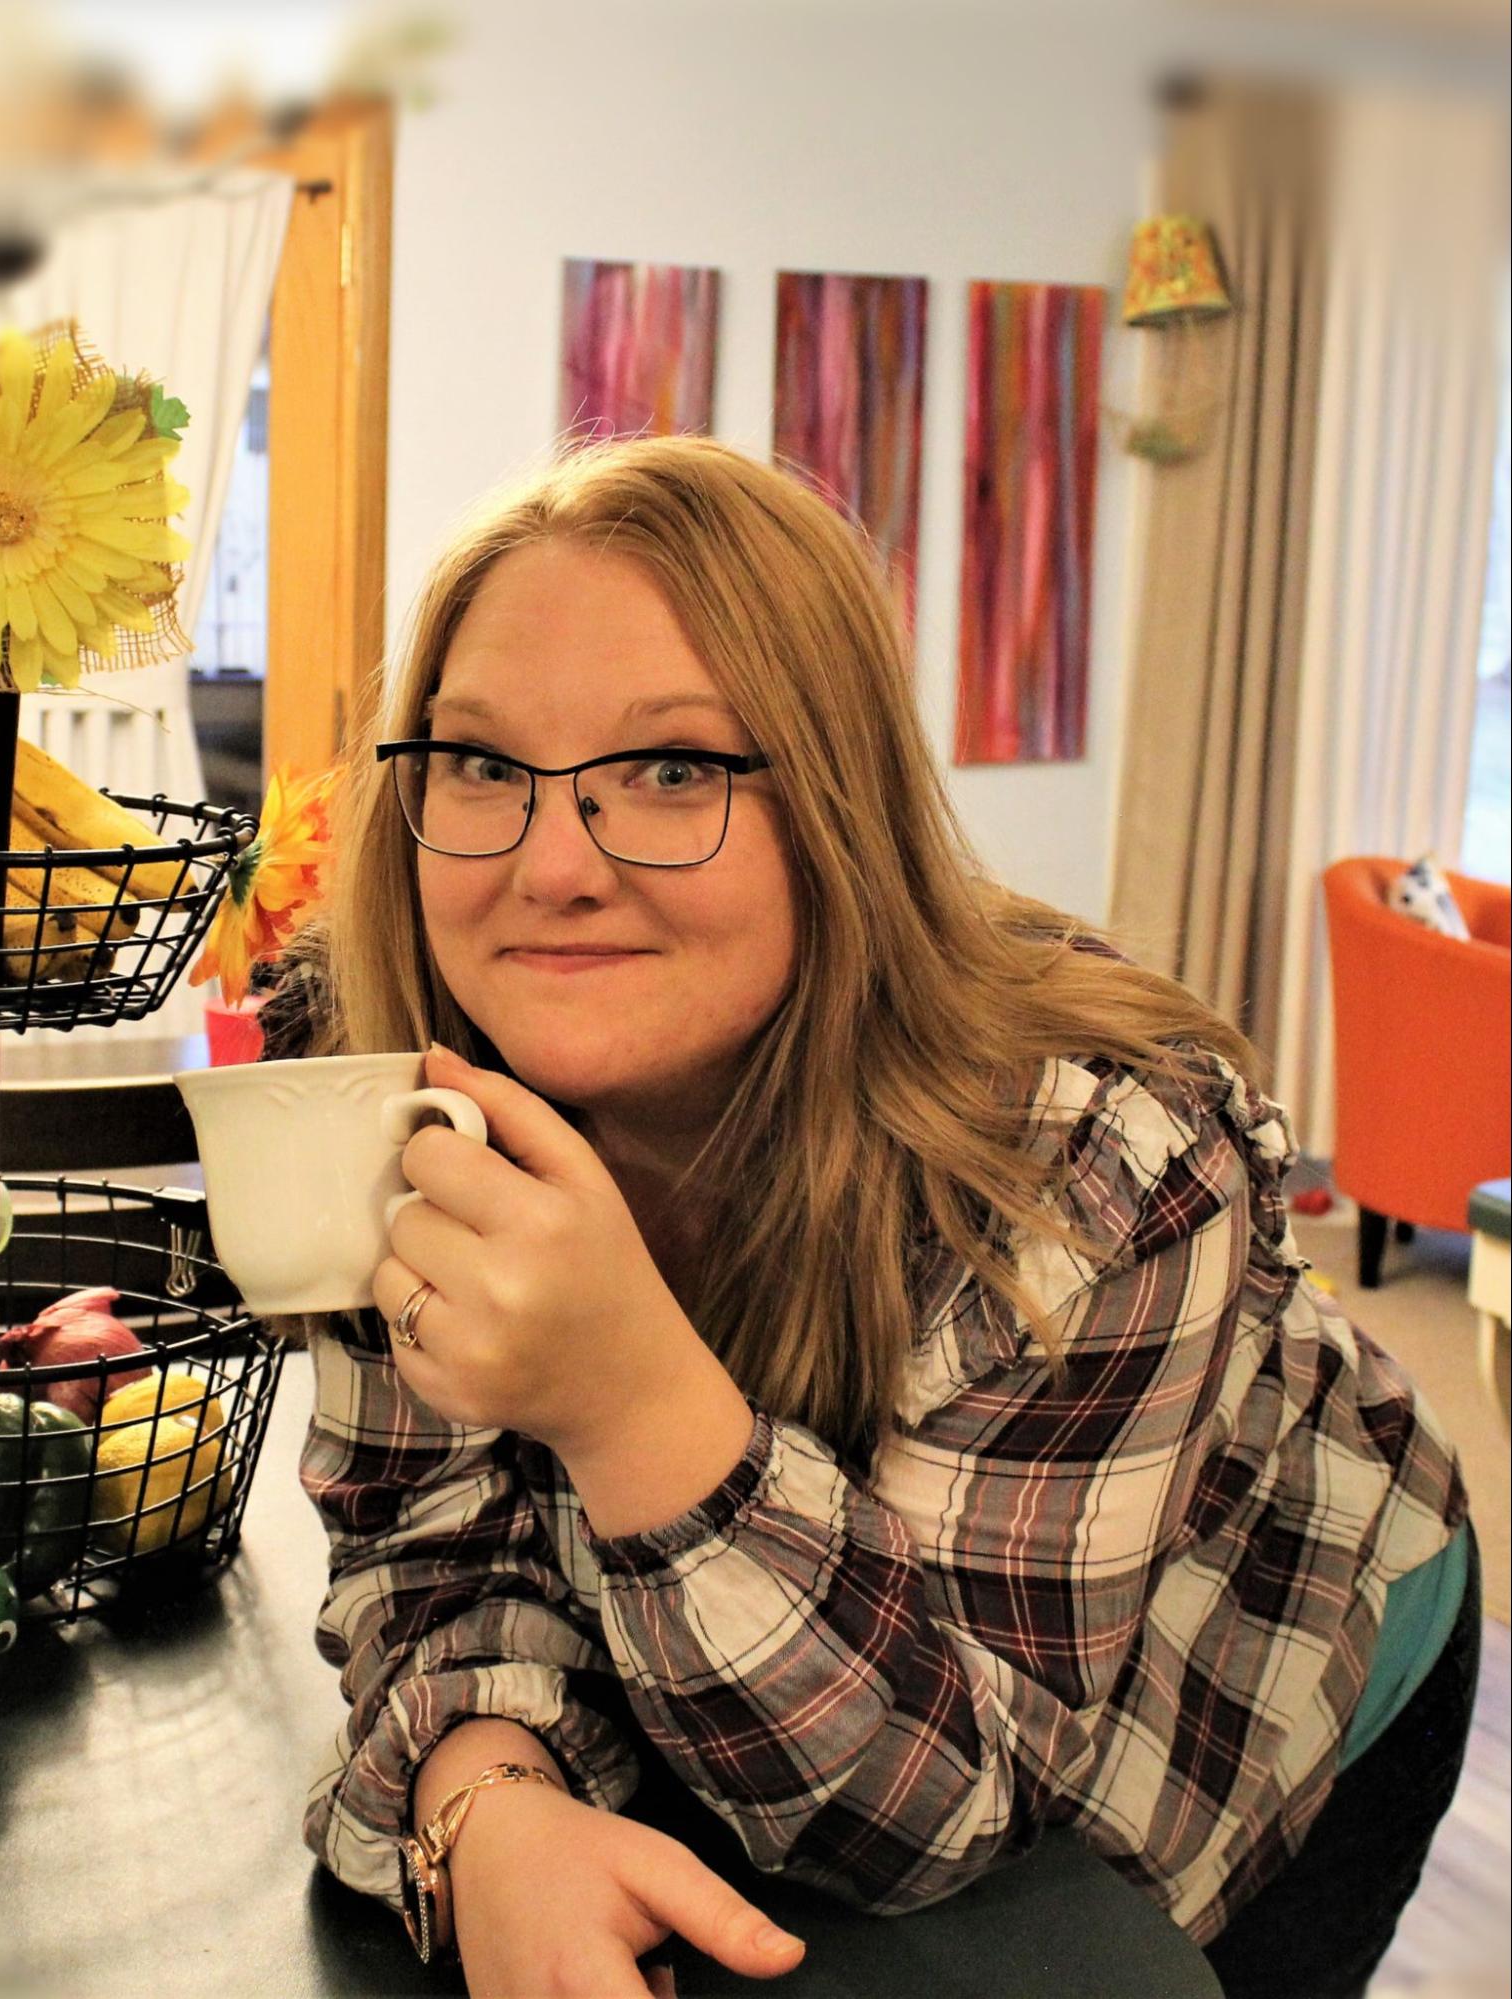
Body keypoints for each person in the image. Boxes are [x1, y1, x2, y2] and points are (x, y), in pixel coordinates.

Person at [255, 436, 1476, 1999]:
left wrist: (627, 1399)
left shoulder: (1097, 1151)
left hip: (1251, 1636)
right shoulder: (387, 1066)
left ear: (837, 804)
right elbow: (420, 1535)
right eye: (483, 766)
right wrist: (487, 1796)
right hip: (814, 1653)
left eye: (674, 769)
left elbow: (937, 1806)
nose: (550, 864)